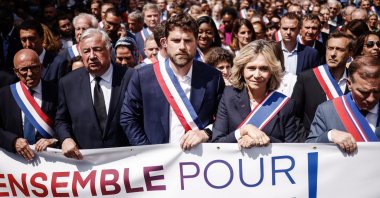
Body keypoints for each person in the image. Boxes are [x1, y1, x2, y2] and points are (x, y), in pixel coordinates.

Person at [120, 13, 225, 150]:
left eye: (188, 41)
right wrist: (147, 151)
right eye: (176, 40)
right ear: (164, 43)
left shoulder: (213, 77)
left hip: (200, 163)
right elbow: (128, 118)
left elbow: (224, 119)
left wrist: (207, 132)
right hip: (158, 164)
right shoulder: (142, 77)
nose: (182, 46)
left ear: (196, 42)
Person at [55, 29, 134, 160]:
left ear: (109, 51)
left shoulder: (130, 77)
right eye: (86, 51)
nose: (91, 56)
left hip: (127, 161)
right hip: (86, 164)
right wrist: (65, 138)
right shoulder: (68, 83)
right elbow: (61, 120)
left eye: (97, 49)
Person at [212, 40, 298, 146]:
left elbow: (293, 148)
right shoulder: (228, 96)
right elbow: (217, 143)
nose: (257, 75)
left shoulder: (285, 105)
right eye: (251, 68)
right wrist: (243, 131)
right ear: (242, 69)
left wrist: (261, 139)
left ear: (272, 72)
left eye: (263, 69)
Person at [306, 56, 380, 153]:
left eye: (377, 91)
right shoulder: (327, 111)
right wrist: (330, 135)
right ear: (349, 84)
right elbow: (308, 148)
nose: (371, 98)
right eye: (364, 92)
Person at [292, 32, 353, 142]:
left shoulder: (355, 80)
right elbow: (294, 115)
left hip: (349, 147)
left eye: (339, 49)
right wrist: (304, 142)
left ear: (349, 54)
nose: (333, 54)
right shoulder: (306, 78)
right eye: (330, 48)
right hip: (314, 146)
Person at [0, 49, 58, 161]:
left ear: (41, 67)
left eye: (34, 67)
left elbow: (66, 123)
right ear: (16, 72)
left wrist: (54, 140)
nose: (30, 74)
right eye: (24, 69)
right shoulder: (4, 95)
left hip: (51, 162)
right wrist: (13, 141)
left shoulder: (56, 91)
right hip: (15, 163)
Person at [19, 19, 68, 84]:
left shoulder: (59, 63)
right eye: (23, 40)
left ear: (42, 38)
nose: (28, 44)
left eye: (32, 39)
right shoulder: (18, 64)